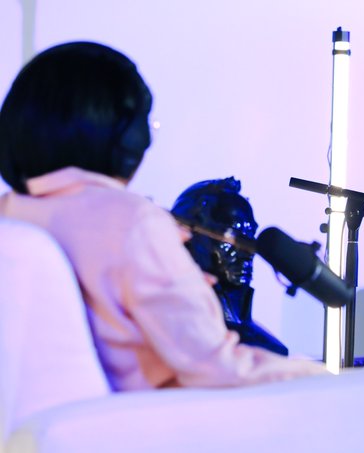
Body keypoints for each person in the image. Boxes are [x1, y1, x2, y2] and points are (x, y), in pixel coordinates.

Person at [0, 41, 327, 391]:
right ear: (127, 138)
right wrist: (323, 378)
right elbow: (219, 370)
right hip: (150, 418)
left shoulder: (10, 216)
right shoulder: (134, 223)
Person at [171, 176, 288, 356]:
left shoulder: (268, 347)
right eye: (232, 237)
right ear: (187, 238)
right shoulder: (173, 333)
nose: (248, 252)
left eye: (250, 236)